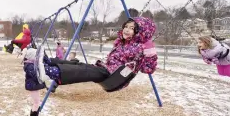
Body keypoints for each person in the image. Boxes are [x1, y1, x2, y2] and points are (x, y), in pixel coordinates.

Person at [26, 17, 157, 91]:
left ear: (140, 32)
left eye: (132, 29)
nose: (127, 30)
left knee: (84, 71)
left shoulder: (141, 47)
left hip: (115, 77)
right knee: (81, 65)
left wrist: (150, 52)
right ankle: (50, 62)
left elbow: (148, 69)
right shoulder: (123, 42)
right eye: (126, 26)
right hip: (106, 69)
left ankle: (51, 72)